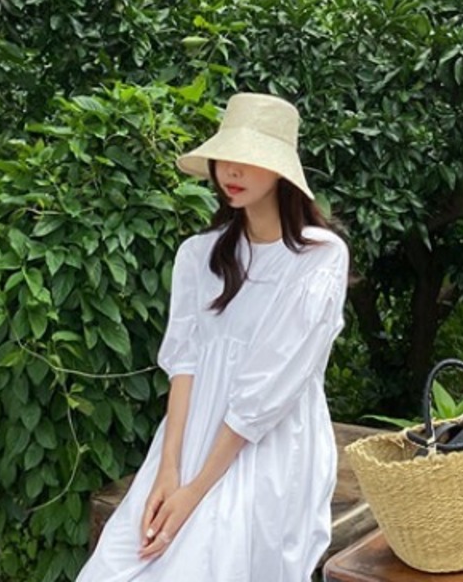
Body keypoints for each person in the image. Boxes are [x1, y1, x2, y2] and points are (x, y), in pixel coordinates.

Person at [75, 92, 349, 582]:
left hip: (269, 443)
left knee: (200, 559)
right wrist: (168, 469)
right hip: (191, 436)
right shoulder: (197, 255)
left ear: (282, 171)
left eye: (250, 158)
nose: (232, 171)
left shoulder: (319, 257)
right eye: (226, 157)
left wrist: (194, 493)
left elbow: (267, 392)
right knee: (118, 564)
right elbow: (185, 364)